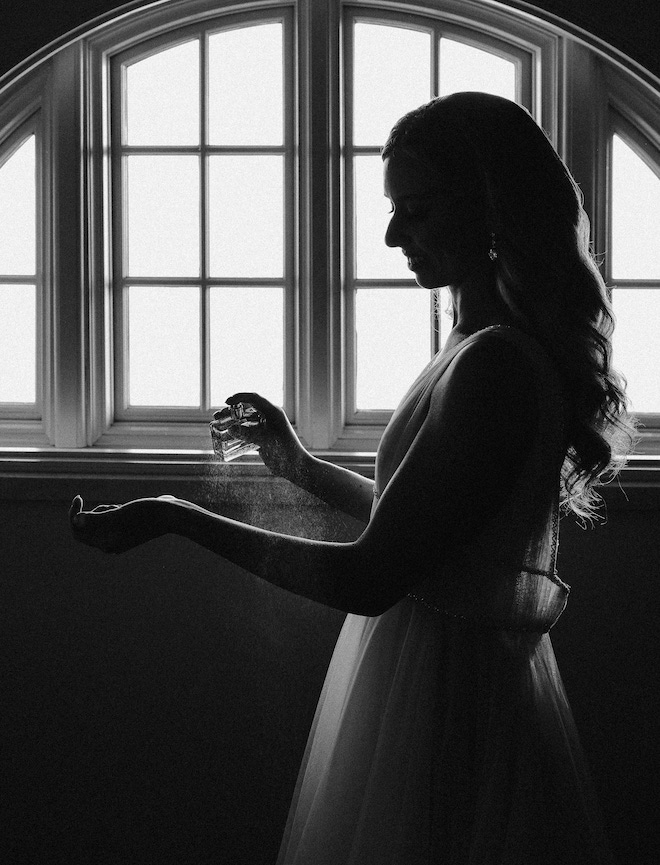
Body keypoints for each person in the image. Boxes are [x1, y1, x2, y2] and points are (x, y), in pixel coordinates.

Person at [70, 92, 636, 864]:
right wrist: (301, 468)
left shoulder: (496, 365)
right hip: (435, 676)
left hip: (448, 702)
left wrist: (174, 515)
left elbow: (374, 575)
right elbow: (432, 538)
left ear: (490, 209)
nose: (393, 233)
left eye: (417, 210)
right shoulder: (475, 344)